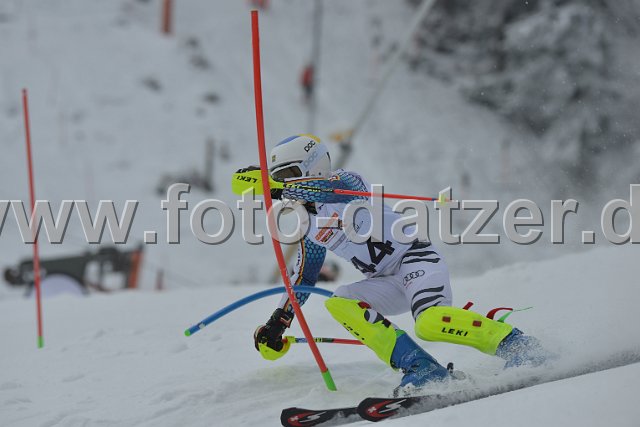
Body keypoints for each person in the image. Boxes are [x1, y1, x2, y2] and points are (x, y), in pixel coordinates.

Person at [246, 134, 547, 392]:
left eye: (288, 174)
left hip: (416, 260)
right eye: (277, 177)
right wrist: (278, 322)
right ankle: (421, 367)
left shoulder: (346, 183)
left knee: (429, 323)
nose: (282, 183)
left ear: (314, 166)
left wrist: (280, 187)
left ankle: (517, 344)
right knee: (339, 302)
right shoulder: (308, 224)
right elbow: (304, 276)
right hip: (384, 281)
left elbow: (328, 188)